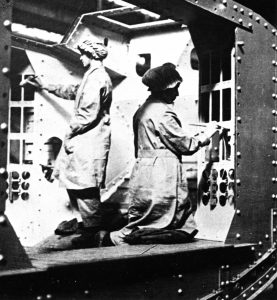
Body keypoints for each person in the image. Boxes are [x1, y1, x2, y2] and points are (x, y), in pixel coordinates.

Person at [99, 63, 220, 246]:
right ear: (165, 89)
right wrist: (207, 134)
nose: (177, 94)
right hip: (163, 172)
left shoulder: (143, 109)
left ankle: (113, 238)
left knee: (146, 214)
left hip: (144, 169)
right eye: (175, 89)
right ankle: (117, 239)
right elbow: (186, 145)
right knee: (166, 217)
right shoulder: (163, 112)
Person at [33, 39, 113, 248]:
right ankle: (88, 226)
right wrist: (46, 86)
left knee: (86, 185)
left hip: (89, 139)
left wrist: (68, 132)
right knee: (78, 181)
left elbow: (87, 115)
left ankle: (93, 232)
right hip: (85, 139)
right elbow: (73, 91)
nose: (80, 57)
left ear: (91, 55)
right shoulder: (92, 76)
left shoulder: (97, 79)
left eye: (82, 54)